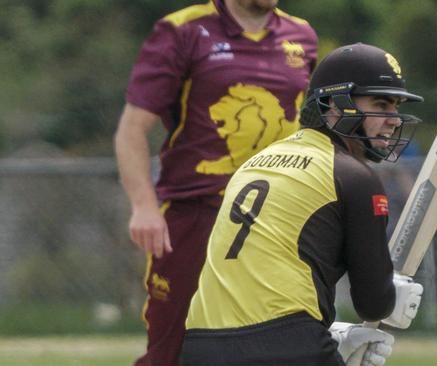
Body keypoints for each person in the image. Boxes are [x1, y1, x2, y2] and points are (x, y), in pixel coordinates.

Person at [181, 43, 424, 366]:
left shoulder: (256, 163)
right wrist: (391, 296)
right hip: (286, 344)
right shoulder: (354, 177)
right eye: (381, 103)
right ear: (333, 106)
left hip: (199, 345)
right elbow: (373, 305)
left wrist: (328, 333)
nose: (393, 120)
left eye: (395, 107)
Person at [114, 1, 318, 365]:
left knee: (277, 341)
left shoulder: (302, 35)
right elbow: (132, 128)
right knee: (171, 345)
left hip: (275, 220)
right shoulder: (183, 31)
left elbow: (314, 130)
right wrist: (144, 207)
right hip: (197, 212)